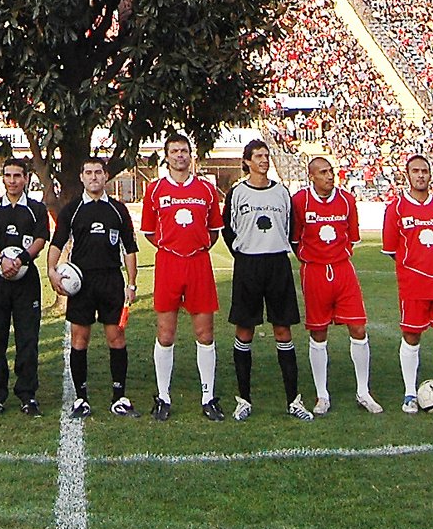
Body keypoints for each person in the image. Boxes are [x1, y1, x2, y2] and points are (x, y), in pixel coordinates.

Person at [141, 135, 224, 421]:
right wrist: (174, 248)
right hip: (168, 263)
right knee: (165, 333)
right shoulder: (154, 190)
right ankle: (163, 396)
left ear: (191, 155)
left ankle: (208, 396)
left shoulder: (207, 190)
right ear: (167, 156)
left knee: (205, 333)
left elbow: (214, 231)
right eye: (174, 151)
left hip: (199, 263)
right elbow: (150, 232)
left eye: (184, 151)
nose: (180, 155)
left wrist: (195, 247)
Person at [46, 154, 137, 418]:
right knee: (79, 338)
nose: (94, 177)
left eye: (98, 172)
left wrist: (131, 284)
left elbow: (129, 249)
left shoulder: (118, 210)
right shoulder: (72, 209)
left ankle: (119, 396)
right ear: (82, 177)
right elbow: (57, 242)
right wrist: (52, 271)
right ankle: (81, 398)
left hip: (111, 281)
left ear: (106, 176)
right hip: (81, 284)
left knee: (116, 337)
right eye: (89, 172)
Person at [222, 138, 305, 420]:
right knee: (245, 330)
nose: (264, 160)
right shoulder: (236, 193)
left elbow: (290, 228)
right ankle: (243, 399)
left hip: (277, 264)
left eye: (266, 155)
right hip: (248, 265)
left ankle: (294, 400)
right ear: (246, 161)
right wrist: (244, 253)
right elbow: (227, 229)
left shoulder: (282, 193)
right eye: (258, 156)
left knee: (283, 330)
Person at [292, 153, 379, 415]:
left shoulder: (347, 200)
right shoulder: (300, 201)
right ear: (311, 176)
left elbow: (352, 237)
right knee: (318, 333)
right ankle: (322, 395)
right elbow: (295, 240)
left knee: (358, 328)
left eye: (331, 171)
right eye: (323, 172)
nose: (330, 176)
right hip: (315, 272)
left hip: (343, 270)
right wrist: (313, 260)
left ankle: (363, 392)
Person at [382, 152, 433, 415]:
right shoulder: (396, 208)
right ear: (407, 175)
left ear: (431, 175)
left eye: (425, 171)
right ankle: (410, 393)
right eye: (416, 171)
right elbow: (392, 249)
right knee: (411, 335)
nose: (421, 175)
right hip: (413, 284)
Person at [0, 156, 52, 417]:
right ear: (2, 179)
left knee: (28, 338)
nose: (12, 181)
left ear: (26, 178)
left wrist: (20, 260)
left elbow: (41, 239)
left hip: (27, 282)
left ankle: (27, 394)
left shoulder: (36, 209)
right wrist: (2, 260)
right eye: (8, 176)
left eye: (17, 176)